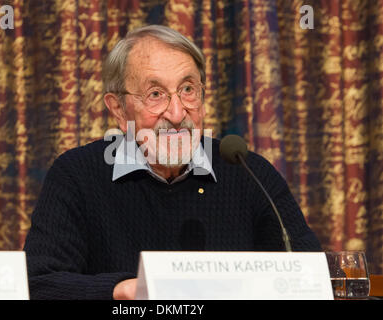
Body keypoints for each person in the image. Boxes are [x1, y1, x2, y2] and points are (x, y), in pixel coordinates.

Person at [23, 25, 322, 300]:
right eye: (156, 94)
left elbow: (309, 276)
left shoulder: (247, 172)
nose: (177, 114)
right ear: (118, 108)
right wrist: (122, 289)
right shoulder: (78, 174)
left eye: (188, 89)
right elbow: (37, 283)